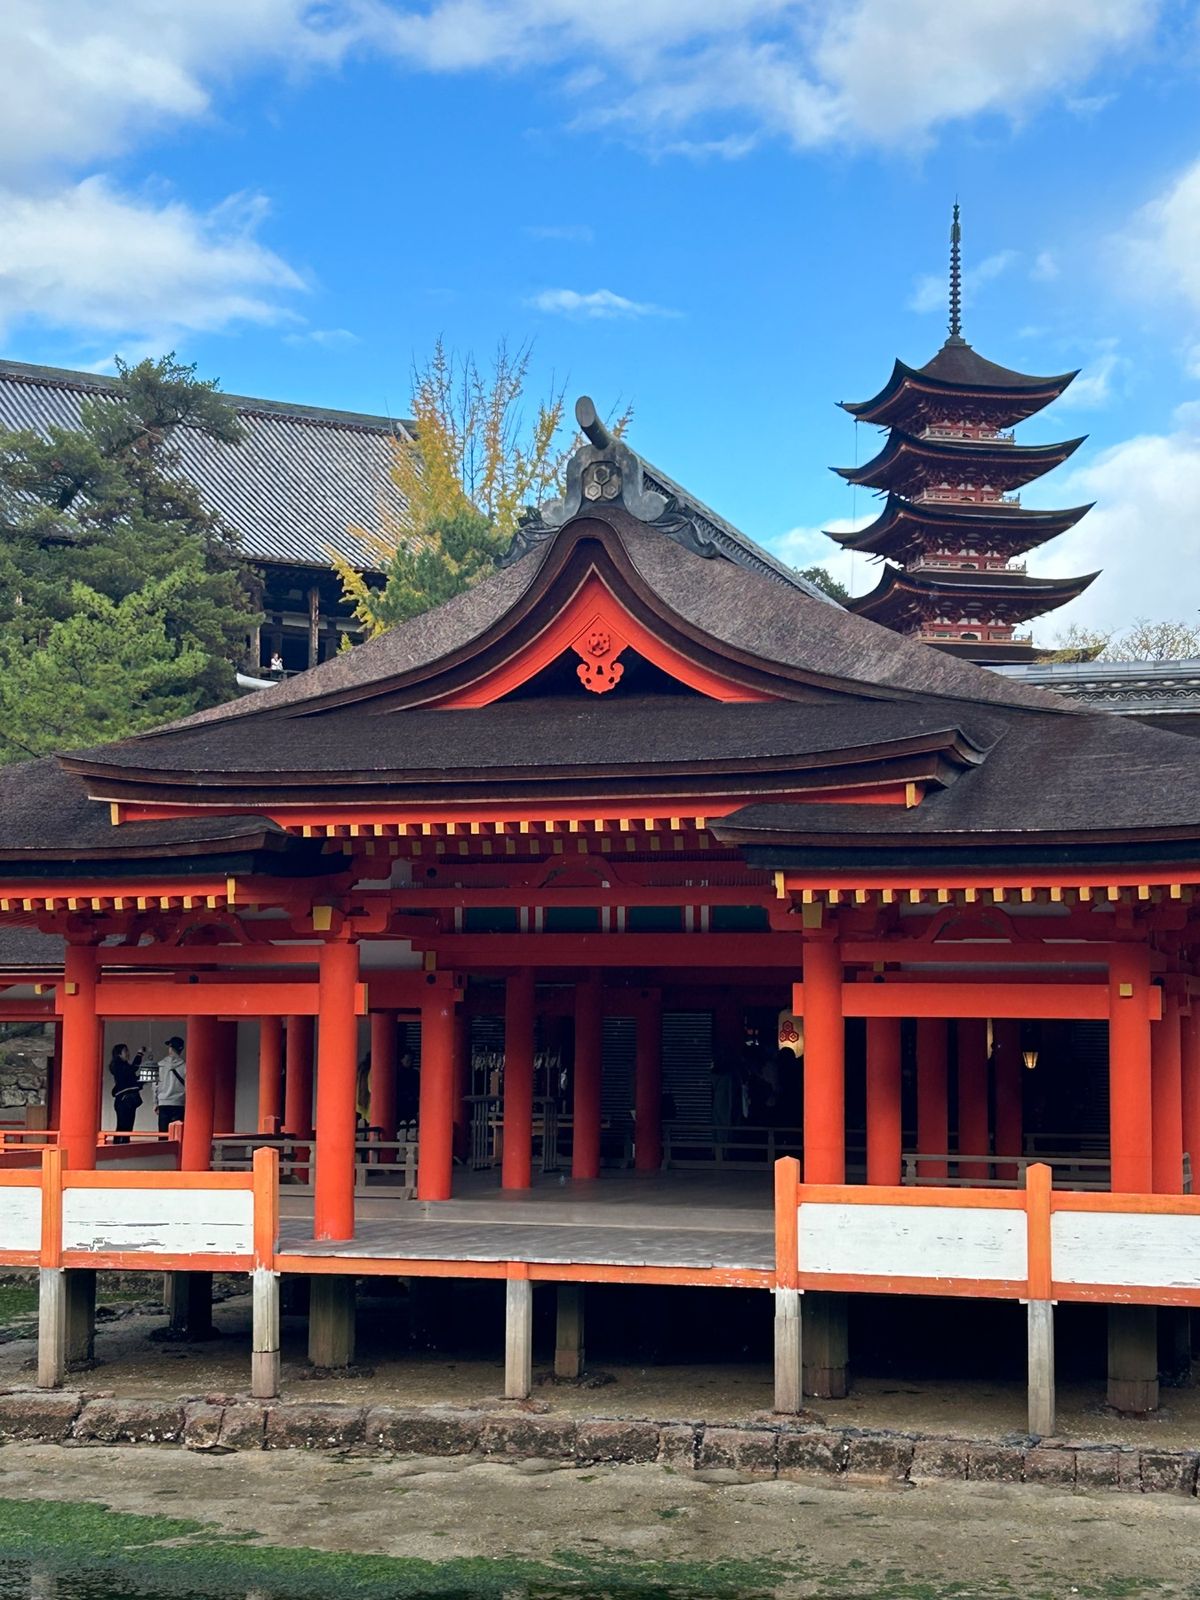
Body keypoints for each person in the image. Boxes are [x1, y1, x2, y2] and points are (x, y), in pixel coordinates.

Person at [108, 1043, 144, 1143]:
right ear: (119, 1054)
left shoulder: (120, 1067)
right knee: (124, 1126)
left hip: (125, 1100)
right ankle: (120, 1146)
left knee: (125, 1127)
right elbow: (133, 1069)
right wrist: (139, 1054)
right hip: (125, 1101)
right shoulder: (119, 1066)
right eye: (125, 1051)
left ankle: (120, 1146)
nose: (128, 1053)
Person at [154, 1036, 187, 1133]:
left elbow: (155, 1085)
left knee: (163, 1134)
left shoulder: (160, 1065)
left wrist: (155, 1102)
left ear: (170, 1048)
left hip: (163, 1102)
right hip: (179, 1103)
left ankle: (162, 1149)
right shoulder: (185, 1066)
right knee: (177, 1134)